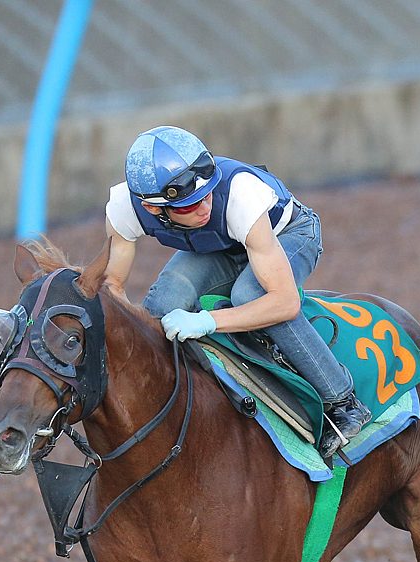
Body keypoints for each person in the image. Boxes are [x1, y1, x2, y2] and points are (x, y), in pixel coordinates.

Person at [102, 125, 370, 457]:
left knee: (250, 295)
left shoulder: (241, 194)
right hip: (218, 246)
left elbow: (284, 302)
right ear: (152, 209)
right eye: (188, 205)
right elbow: (112, 287)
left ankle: (342, 401)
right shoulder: (123, 208)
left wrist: (208, 322)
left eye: (208, 194)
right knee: (160, 307)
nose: (204, 208)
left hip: (286, 233)